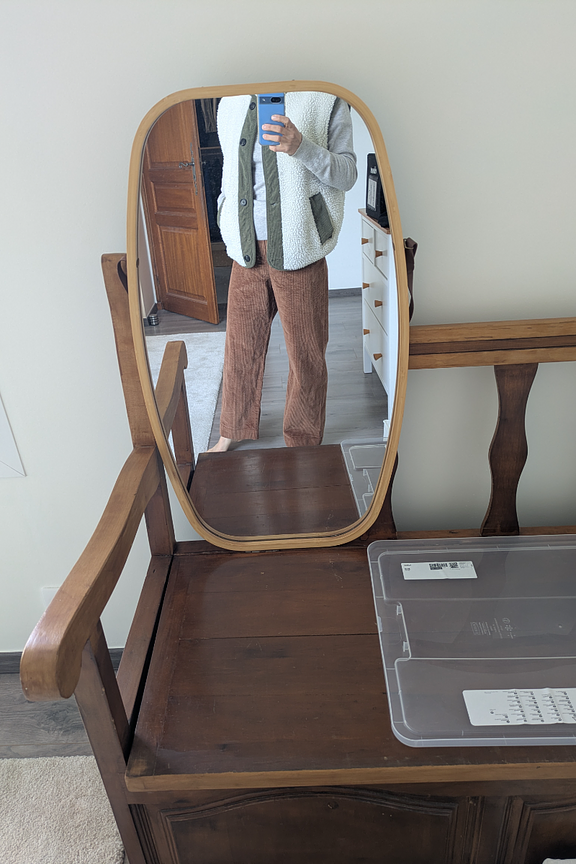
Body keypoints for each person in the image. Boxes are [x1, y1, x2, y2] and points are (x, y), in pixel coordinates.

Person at [208, 91, 357, 452]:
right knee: (240, 347)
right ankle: (231, 430)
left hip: (299, 245)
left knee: (306, 354)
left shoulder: (325, 99)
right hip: (245, 248)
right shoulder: (230, 101)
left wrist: (301, 146)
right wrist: (224, 214)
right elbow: (231, 172)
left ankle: (303, 443)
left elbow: (348, 175)